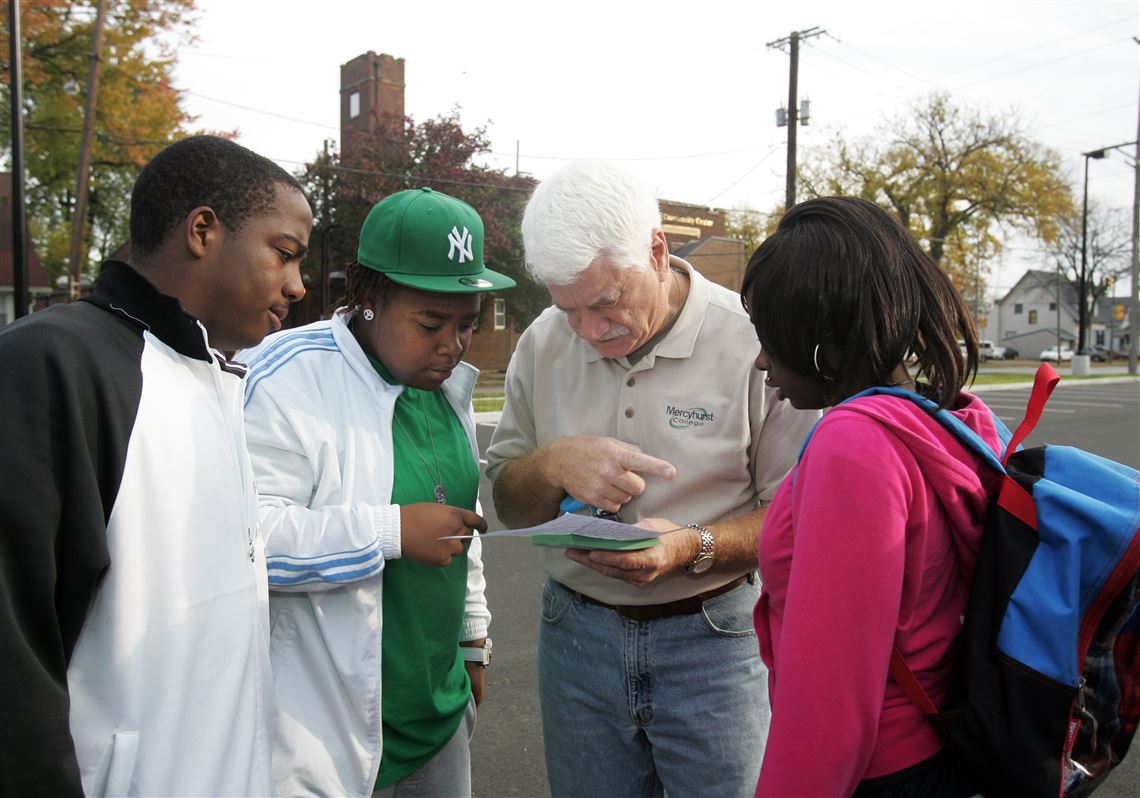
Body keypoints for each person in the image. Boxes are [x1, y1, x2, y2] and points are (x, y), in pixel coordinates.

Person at [484, 160, 819, 798]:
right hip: (575, 637)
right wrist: (552, 463)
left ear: (657, 252)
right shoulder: (541, 344)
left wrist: (691, 546)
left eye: (606, 302)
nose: (589, 330)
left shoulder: (751, 340)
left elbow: (798, 518)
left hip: (714, 639)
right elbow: (509, 500)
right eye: (568, 307)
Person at [0, 135, 312, 795]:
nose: (297, 284)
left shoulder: (213, 376)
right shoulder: (53, 363)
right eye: (283, 253)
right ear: (203, 230)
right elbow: (15, 652)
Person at [240, 187, 515, 797]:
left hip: (438, 720)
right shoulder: (288, 377)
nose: (453, 345)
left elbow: (460, 525)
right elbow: (246, 539)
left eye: (466, 324)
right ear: (368, 298)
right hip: (322, 740)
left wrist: (474, 638)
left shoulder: (445, 390)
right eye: (430, 322)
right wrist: (390, 532)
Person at [744, 196, 996, 797]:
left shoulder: (853, 445)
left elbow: (829, 694)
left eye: (769, 336)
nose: (759, 360)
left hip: (881, 769)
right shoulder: (949, 417)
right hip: (944, 747)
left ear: (823, 340)